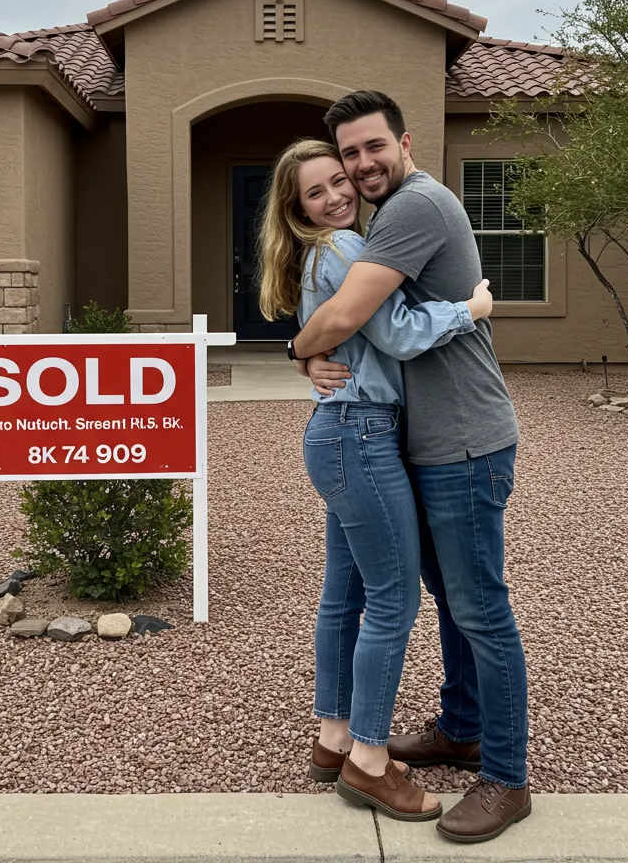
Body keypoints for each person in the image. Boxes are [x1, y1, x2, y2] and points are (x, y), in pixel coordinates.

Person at [288, 92, 530, 845]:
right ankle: (461, 729)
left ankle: (508, 777)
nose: (359, 168)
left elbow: (359, 324)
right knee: (451, 599)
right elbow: (341, 323)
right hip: (420, 439)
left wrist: (301, 349)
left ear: (404, 141)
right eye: (348, 155)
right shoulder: (361, 228)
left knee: (480, 606)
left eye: (370, 149)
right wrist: (307, 350)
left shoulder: (413, 209)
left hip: (463, 438)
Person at [257, 138, 494, 823]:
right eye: (316, 191)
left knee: (345, 596)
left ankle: (332, 738)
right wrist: (471, 310)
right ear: (294, 206)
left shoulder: (321, 254)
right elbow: (397, 335)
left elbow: (342, 333)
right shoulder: (343, 250)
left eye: (339, 182)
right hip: (360, 436)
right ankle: (366, 762)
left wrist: (300, 353)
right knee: (392, 600)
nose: (336, 196)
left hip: (339, 434)